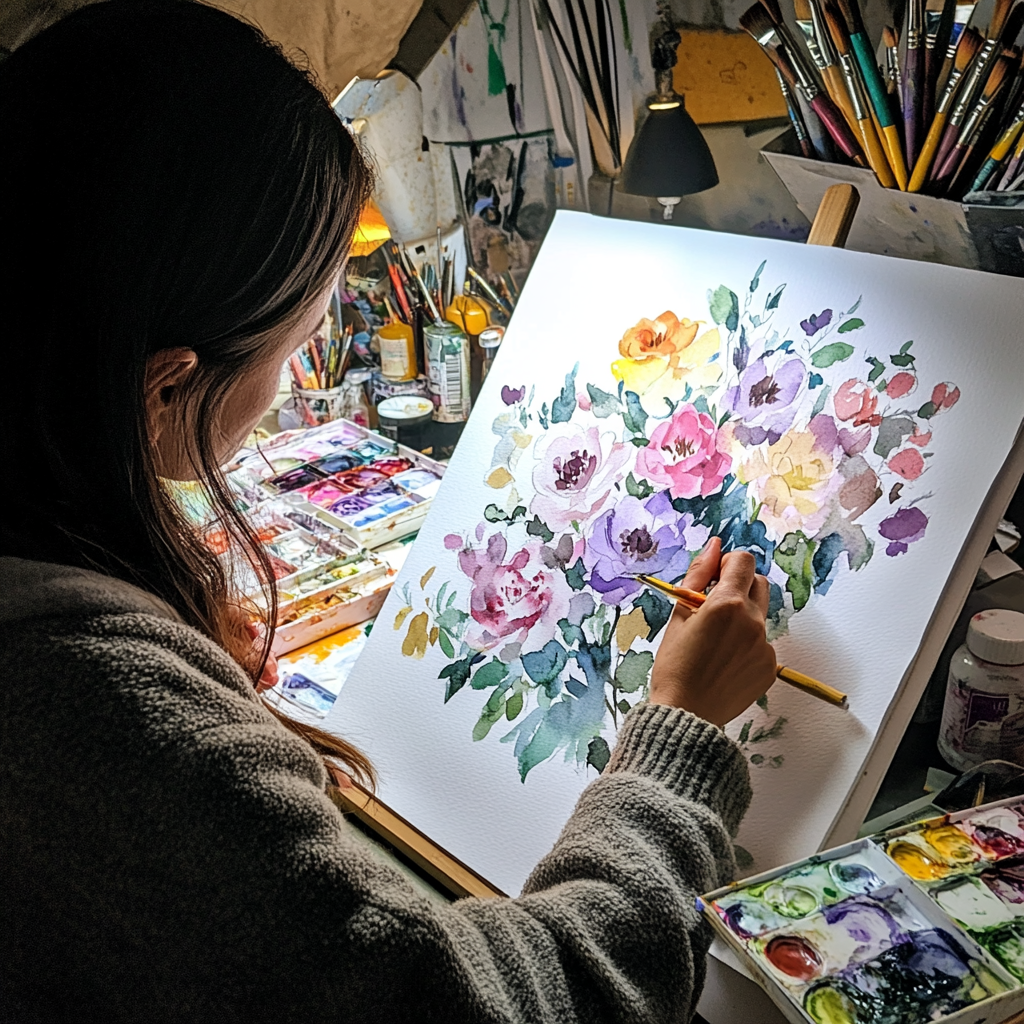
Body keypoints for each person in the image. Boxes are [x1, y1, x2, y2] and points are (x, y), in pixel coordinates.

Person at [0, 2, 778, 1021]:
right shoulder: (83, 701)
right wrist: (674, 739)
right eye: (297, 342)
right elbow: (496, 1004)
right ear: (163, 385)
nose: (287, 387)